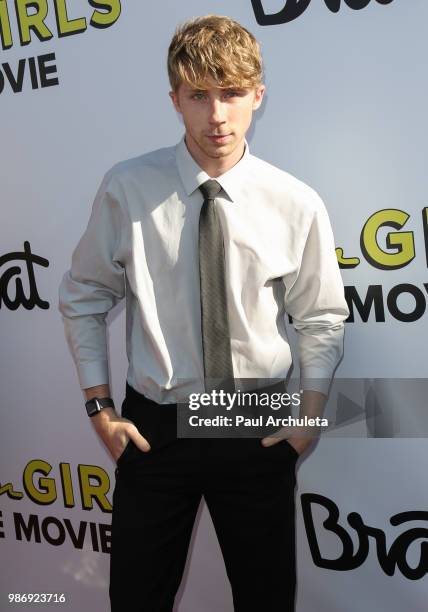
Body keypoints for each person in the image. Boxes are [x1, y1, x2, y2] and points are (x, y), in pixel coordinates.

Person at [58, 14, 349, 612]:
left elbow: (320, 316)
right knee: (137, 598)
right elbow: (83, 294)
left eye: (232, 93)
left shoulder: (294, 202)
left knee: (265, 599)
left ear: (257, 96)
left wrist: (310, 415)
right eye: (199, 95)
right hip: (154, 427)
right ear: (175, 100)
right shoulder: (127, 187)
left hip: (256, 420)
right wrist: (99, 407)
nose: (217, 114)